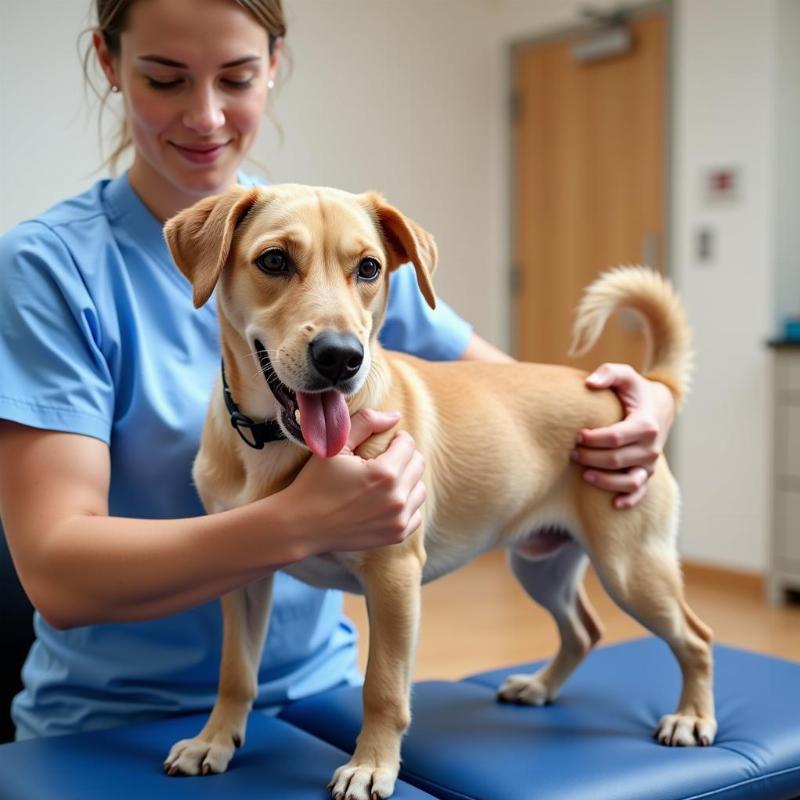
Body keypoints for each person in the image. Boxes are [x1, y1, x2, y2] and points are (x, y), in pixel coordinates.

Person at [0, 0, 676, 741]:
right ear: (109, 62)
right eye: (166, 79)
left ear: (273, 70)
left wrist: (641, 407)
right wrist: (293, 524)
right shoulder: (51, 269)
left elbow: (516, 401)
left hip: (322, 700)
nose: (206, 115)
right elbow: (57, 577)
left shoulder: (340, 241)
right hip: (112, 719)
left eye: (237, 78)